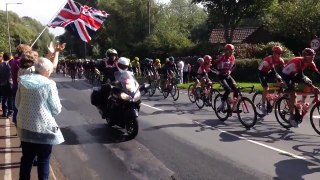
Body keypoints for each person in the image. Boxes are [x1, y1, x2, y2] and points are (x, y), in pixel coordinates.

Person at [16, 57, 63, 180]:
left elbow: (17, 103)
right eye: (51, 70)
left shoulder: (23, 81)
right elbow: (56, 109)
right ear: (46, 70)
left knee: (26, 158)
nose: (51, 72)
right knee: (43, 160)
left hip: (25, 126)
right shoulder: (49, 84)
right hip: (43, 128)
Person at [282, 48, 320, 127]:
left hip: (295, 74)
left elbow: (317, 73)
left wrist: (311, 85)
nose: (312, 58)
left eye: (313, 56)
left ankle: (301, 101)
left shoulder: (311, 62)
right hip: (287, 75)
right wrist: (313, 87)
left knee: (309, 81)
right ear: (305, 56)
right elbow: (301, 77)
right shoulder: (298, 62)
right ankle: (291, 117)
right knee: (293, 94)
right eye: (311, 56)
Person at [258, 45, 285, 115]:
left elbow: (284, 70)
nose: (279, 55)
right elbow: (273, 70)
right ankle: (263, 105)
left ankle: (273, 96)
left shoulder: (280, 60)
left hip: (268, 71)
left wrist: (283, 79)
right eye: (278, 53)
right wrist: (278, 76)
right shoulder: (269, 59)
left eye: (280, 53)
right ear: (274, 53)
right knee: (266, 87)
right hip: (261, 73)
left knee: (280, 81)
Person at [214, 44, 238, 112]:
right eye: (229, 51)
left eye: (232, 51)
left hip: (227, 75)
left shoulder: (232, 57)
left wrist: (230, 71)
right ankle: (222, 104)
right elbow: (214, 63)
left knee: (236, 89)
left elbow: (234, 66)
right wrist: (219, 71)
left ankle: (234, 106)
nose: (231, 53)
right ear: (226, 51)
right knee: (228, 90)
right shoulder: (222, 57)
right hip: (221, 76)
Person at [0, 53, 13, 118]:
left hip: (2, 83)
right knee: (10, 98)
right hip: (10, 83)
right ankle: (10, 112)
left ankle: (5, 112)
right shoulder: (10, 64)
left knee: (4, 98)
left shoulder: (1, 65)